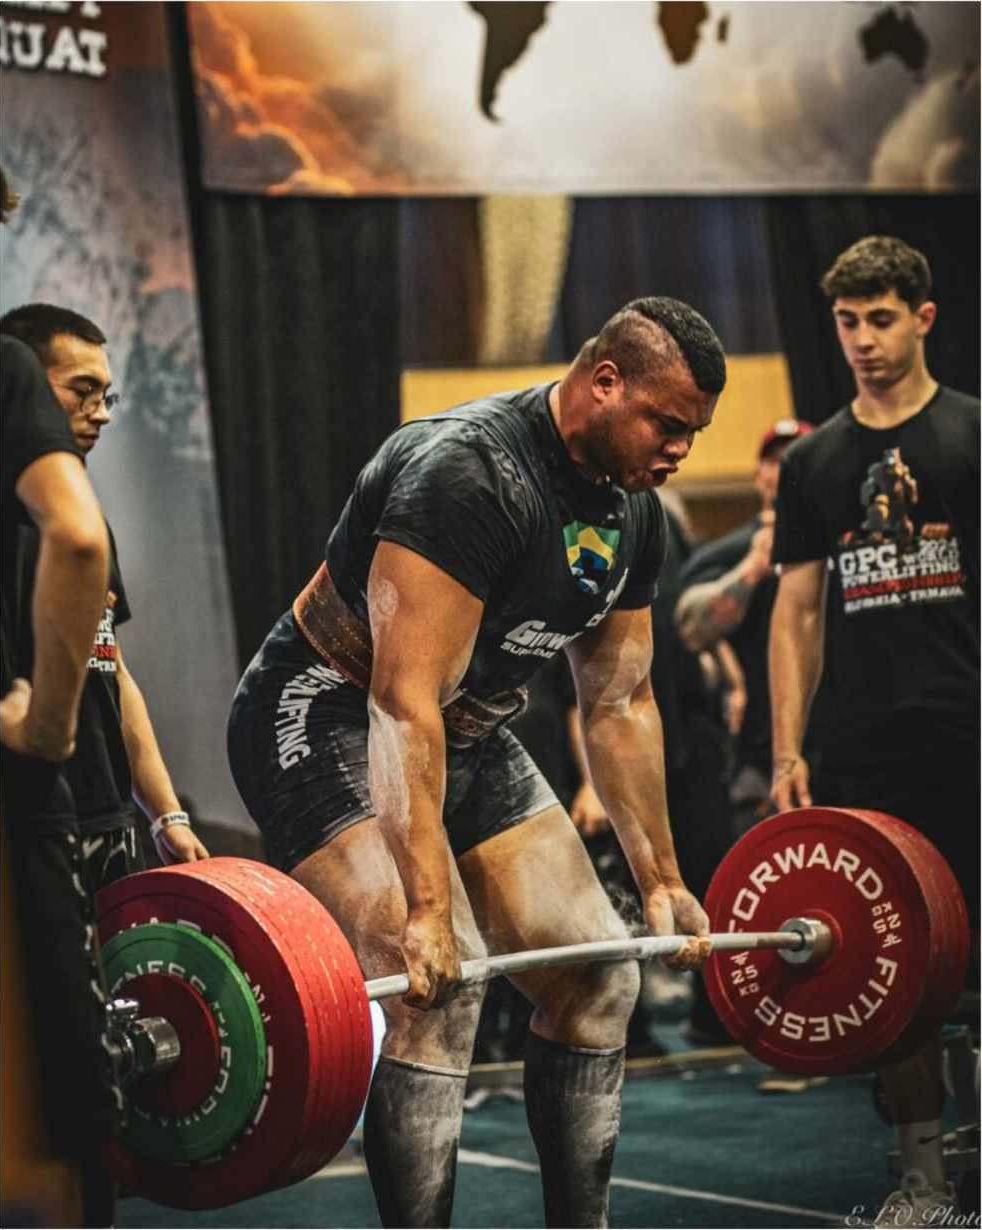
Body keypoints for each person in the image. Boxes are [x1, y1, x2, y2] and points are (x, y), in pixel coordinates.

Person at [228, 296, 727, 1229]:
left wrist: (662, 880)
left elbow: (620, 704)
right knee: (441, 991)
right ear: (603, 381)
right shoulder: (468, 473)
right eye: (667, 423)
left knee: (600, 980)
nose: (680, 450)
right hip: (326, 710)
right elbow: (399, 700)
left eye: (693, 432)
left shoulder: (635, 514)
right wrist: (426, 911)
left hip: (459, 730)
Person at [768, 236, 982, 1225]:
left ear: (923, 318)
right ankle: (924, 1181)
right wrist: (787, 749)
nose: (862, 339)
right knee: (900, 973)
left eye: (881, 319)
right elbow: (796, 615)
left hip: (969, 734)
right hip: (864, 753)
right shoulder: (813, 461)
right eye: (847, 321)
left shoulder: (973, 435)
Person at [0, 159, 117, 1229]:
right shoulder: (3, 372)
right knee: (53, 1122)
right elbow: (78, 540)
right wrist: (46, 727)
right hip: (15, 795)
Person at [0, 304, 209, 888]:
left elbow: (111, 669)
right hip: (31, 820)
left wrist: (165, 814)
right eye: (82, 391)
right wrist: (42, 735)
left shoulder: (87, 520)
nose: (102, 413)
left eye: (106, 395)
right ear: (21, 387)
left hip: (109, 820)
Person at [674, 417, 814, 836]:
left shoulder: (842, 547)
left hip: (844, 747)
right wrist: (752, 569)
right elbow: (690, 629)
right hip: (759, 755)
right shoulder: (730, 552)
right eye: (774, 461)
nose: (785, 469)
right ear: (757, 475)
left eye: (797, 458)